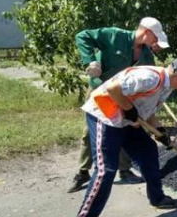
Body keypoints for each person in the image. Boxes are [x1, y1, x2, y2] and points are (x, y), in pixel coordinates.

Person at [71, 57, 177, 217]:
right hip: (105, 117)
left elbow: (148, 109)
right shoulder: (150, 77)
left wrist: (160, 131)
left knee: (148, 152)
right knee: (106, 169)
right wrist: (128, 108)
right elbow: (113, 88)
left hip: (126, 121)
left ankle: (157, 198)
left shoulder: (166, 86)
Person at [68, 17, 169, 193]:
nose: (155, 42)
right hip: (101, 91)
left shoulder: (146, 54)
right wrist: (89, 61)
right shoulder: (114, 36)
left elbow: (149, 77)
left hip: (125, 96)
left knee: (124, 127)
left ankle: (124, 170)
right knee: (89, 133)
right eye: (155, 38)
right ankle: (83, 171)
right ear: (146, 32)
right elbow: (82, 36)